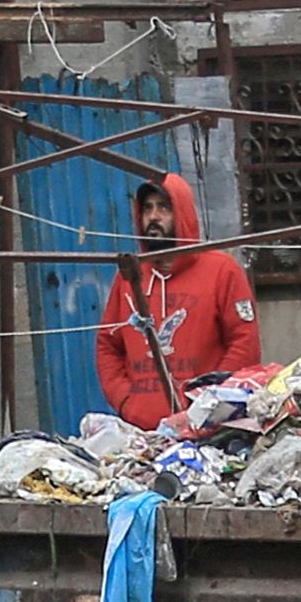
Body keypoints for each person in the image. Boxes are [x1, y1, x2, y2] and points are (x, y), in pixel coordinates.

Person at [89, 163, 260, 429]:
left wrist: (210, 401)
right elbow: (108, 345)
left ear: (182, 214)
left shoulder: (222, 270)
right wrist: (126, 402)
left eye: (164, 208)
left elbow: (244, 344)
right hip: (143, 429)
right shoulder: (129, 277)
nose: (153, 217)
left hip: (207, 427)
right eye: (147, 208)